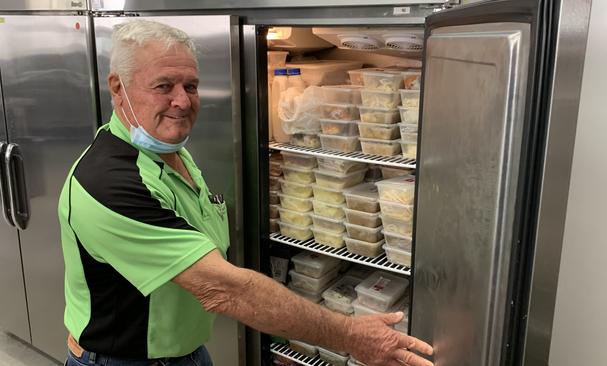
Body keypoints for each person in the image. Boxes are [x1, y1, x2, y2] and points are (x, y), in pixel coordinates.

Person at [58, 20, 433, 366]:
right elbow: (226, 290)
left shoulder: (168, 151)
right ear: (117, 88)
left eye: (190, 86)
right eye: (163, 86)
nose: (183, 101)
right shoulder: (107, 184)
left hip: (183, 351)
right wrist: (351, 334)